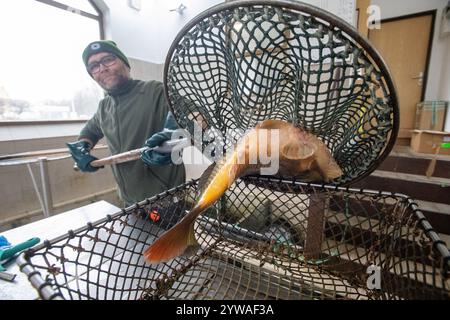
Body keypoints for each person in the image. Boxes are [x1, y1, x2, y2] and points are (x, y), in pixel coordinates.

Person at [67, 40, 186, 207]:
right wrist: (82, 148)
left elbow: (195, 115)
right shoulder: (104, 107)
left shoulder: (155, 91)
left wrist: (173, 135)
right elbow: (90, 132)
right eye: (94, 66)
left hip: (165, 198)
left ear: (126, 64)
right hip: (129, 200)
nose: (102, 68)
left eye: (108, 59)